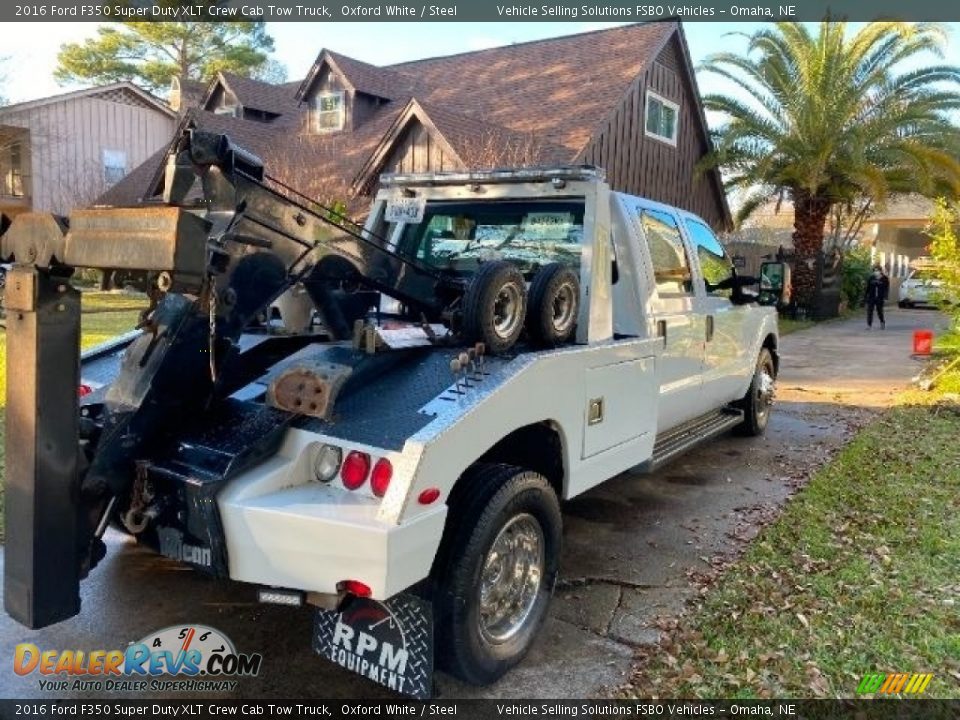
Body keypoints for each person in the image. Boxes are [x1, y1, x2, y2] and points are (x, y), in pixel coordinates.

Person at [865, 264, 890, 329]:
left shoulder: (884, 279)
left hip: (879, 297)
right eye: (875, 270)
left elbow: (886, 289)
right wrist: (865, 296)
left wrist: (885, 297)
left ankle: (882, 322)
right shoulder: (871, 278)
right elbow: (868, 288)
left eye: (877, 270)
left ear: (880, 271)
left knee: (879, 311)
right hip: (871, 297)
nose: (876, 272)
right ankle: (869, 325)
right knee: (870, 311)